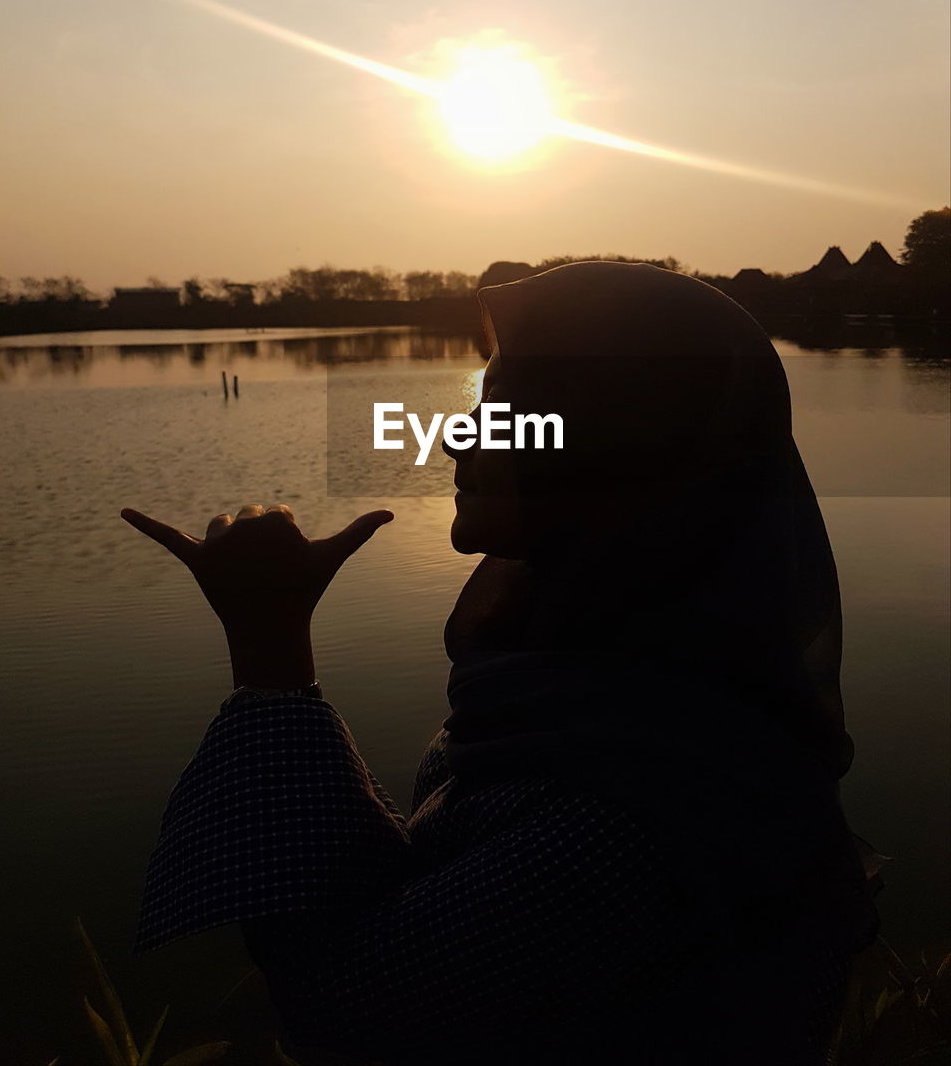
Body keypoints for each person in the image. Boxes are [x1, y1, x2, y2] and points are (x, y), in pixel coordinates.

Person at [125, 261, 878, 1065]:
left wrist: (270, 651)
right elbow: (421, 907)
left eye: (509, 419)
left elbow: (345, 1014)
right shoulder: (612, 679)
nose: (456, 438)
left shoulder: (625, 817)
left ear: (616, 453)